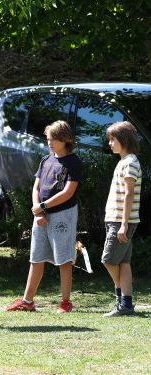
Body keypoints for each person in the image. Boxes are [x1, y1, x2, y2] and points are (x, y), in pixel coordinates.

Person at [6, 120, 82, 313]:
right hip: (41, 214)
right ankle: (27, 301)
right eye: (48, 139)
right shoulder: (45, 160)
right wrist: (37, 209)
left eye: (54, 139)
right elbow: (36, 187)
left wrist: (43, 207)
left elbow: (68, 192)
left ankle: (66, 303)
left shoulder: (73, 161)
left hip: (63, 215)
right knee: (36, 258)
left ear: (65, 140)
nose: (50, 143)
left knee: (64, 259)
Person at [101, 121, 141, 317]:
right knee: (124, 262)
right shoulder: (123, 161)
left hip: (121, 221)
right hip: (116, 220)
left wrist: (123, 224)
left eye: (113, 139)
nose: (110, 143)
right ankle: (126, 304)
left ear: (124, 140)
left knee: (108, 259)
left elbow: (129, 194)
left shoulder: (131, 162)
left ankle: (123, 302)